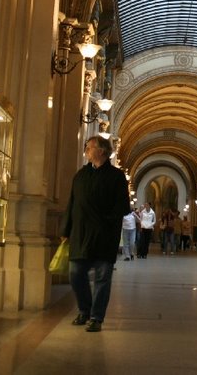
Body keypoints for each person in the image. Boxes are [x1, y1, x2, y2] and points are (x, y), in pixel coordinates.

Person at [61, 135, 130, 333]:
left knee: (102, 277)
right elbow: (71, 203)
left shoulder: (116, 177)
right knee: (75, 273)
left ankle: (96, 317)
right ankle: (84, 309)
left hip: (104, 235)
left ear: (101, 151)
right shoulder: (80, 175)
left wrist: (106, 220)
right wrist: (66, 229)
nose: (86, 150)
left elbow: (123, 207)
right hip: (80, 234)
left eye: (89, 147)